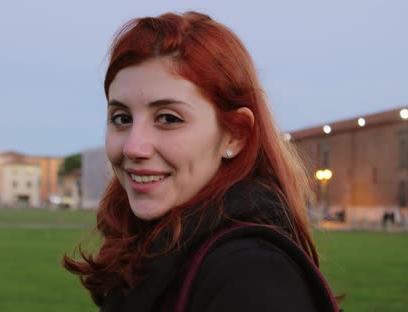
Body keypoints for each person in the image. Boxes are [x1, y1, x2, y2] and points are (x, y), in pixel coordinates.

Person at [64, 11, 340, 311]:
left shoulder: (250, 275)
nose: (133, 147)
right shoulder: (154, 246)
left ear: (235, 134)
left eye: (168, 118)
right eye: (121, 118)